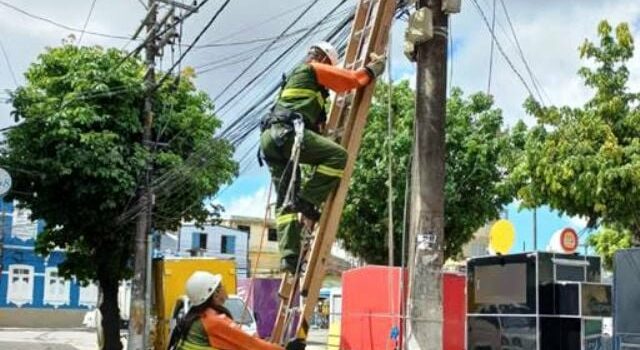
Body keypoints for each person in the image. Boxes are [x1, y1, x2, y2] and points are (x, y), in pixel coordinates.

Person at [260, 41, 386, 273]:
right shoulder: (312, 69)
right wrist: (373, 69)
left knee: (285, 200)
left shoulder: (295, 81)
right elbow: (352, 81)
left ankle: (289, 257)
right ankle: (307, 200)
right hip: (287, 136)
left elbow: (316, 124)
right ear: (323, 59)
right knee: (337, 157)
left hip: (270, 141)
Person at [169, 271, 304, 350]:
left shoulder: (195, 318)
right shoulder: (212, 321)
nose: (225, 291)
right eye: (221, 286)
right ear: (214, 293)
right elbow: (251, 345)